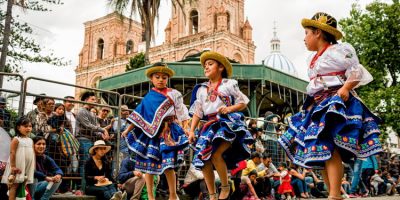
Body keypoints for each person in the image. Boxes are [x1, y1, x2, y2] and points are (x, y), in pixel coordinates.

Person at [278, 12, 383, 200]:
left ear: (317, 32)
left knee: (330, 146)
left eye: (306, 33)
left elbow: (356, 71)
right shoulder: (313, 59)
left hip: (336, 102)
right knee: (320, 151)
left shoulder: (339, 50)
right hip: (318, 105)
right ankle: (333, 193)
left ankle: (334, 195)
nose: (304, 38)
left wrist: (346, 87)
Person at [188, 51, 254, 200]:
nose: (206, 67)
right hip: (209, 126)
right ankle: (212, 195)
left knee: (216, 154)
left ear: (221, 68)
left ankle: (225, 186)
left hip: (225, 123)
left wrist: (229, 109)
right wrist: (191, 130)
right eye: (205, 65)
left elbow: (243, 102)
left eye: (210, 64)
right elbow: (198, 112)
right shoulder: (201, 90)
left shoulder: (228, 84)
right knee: (203, 160)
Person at [122, 62, 190, 200]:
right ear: (151, 79)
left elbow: (182, 112)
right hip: (150, 134)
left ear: (167, 79)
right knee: (148, 165)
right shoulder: (149, 97)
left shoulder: (174, 94)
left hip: (168, 132)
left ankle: (173, 194)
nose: (160, 80)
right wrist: (127, 129)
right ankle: (151, 196)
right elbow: (139, 114)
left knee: (168, 165)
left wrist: (186, 128)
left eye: (164, 77)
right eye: (157, 77)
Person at [1, 117, 35, 200]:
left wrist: (33, 166)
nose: (28, 128)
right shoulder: (16, 139)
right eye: (25, 126)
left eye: (30, 126)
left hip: (27, 166)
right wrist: (12, 166)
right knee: (14, 186)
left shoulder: (30, 140)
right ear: (18, 127)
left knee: (23, 185)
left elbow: (33, 153)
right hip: (18, 166)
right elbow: (12, 153)